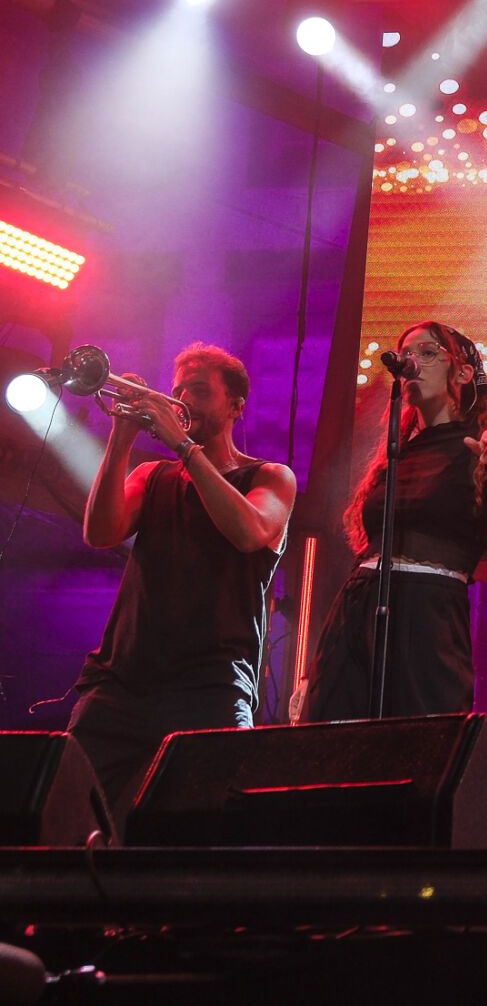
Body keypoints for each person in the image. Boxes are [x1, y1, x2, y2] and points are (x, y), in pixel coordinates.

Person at [69, 343, 297, 822]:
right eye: (176, 392)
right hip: (121, 683)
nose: (181, 401)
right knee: (69, 819)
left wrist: (183, 445)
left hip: (211, 686)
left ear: (236, 404)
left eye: (197, 390)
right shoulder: (153, 475)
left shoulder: (270, 476)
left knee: (210, 828)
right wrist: (121, 438)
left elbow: (248, 532)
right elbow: (99, 532)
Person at [300, 321, 487, 721]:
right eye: (406, 354)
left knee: (416, 740)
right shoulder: (398, 451)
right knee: (334, 738)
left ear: (464, 371)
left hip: (427, 611)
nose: (412, 363)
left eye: (427, 353)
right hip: (360, 603)